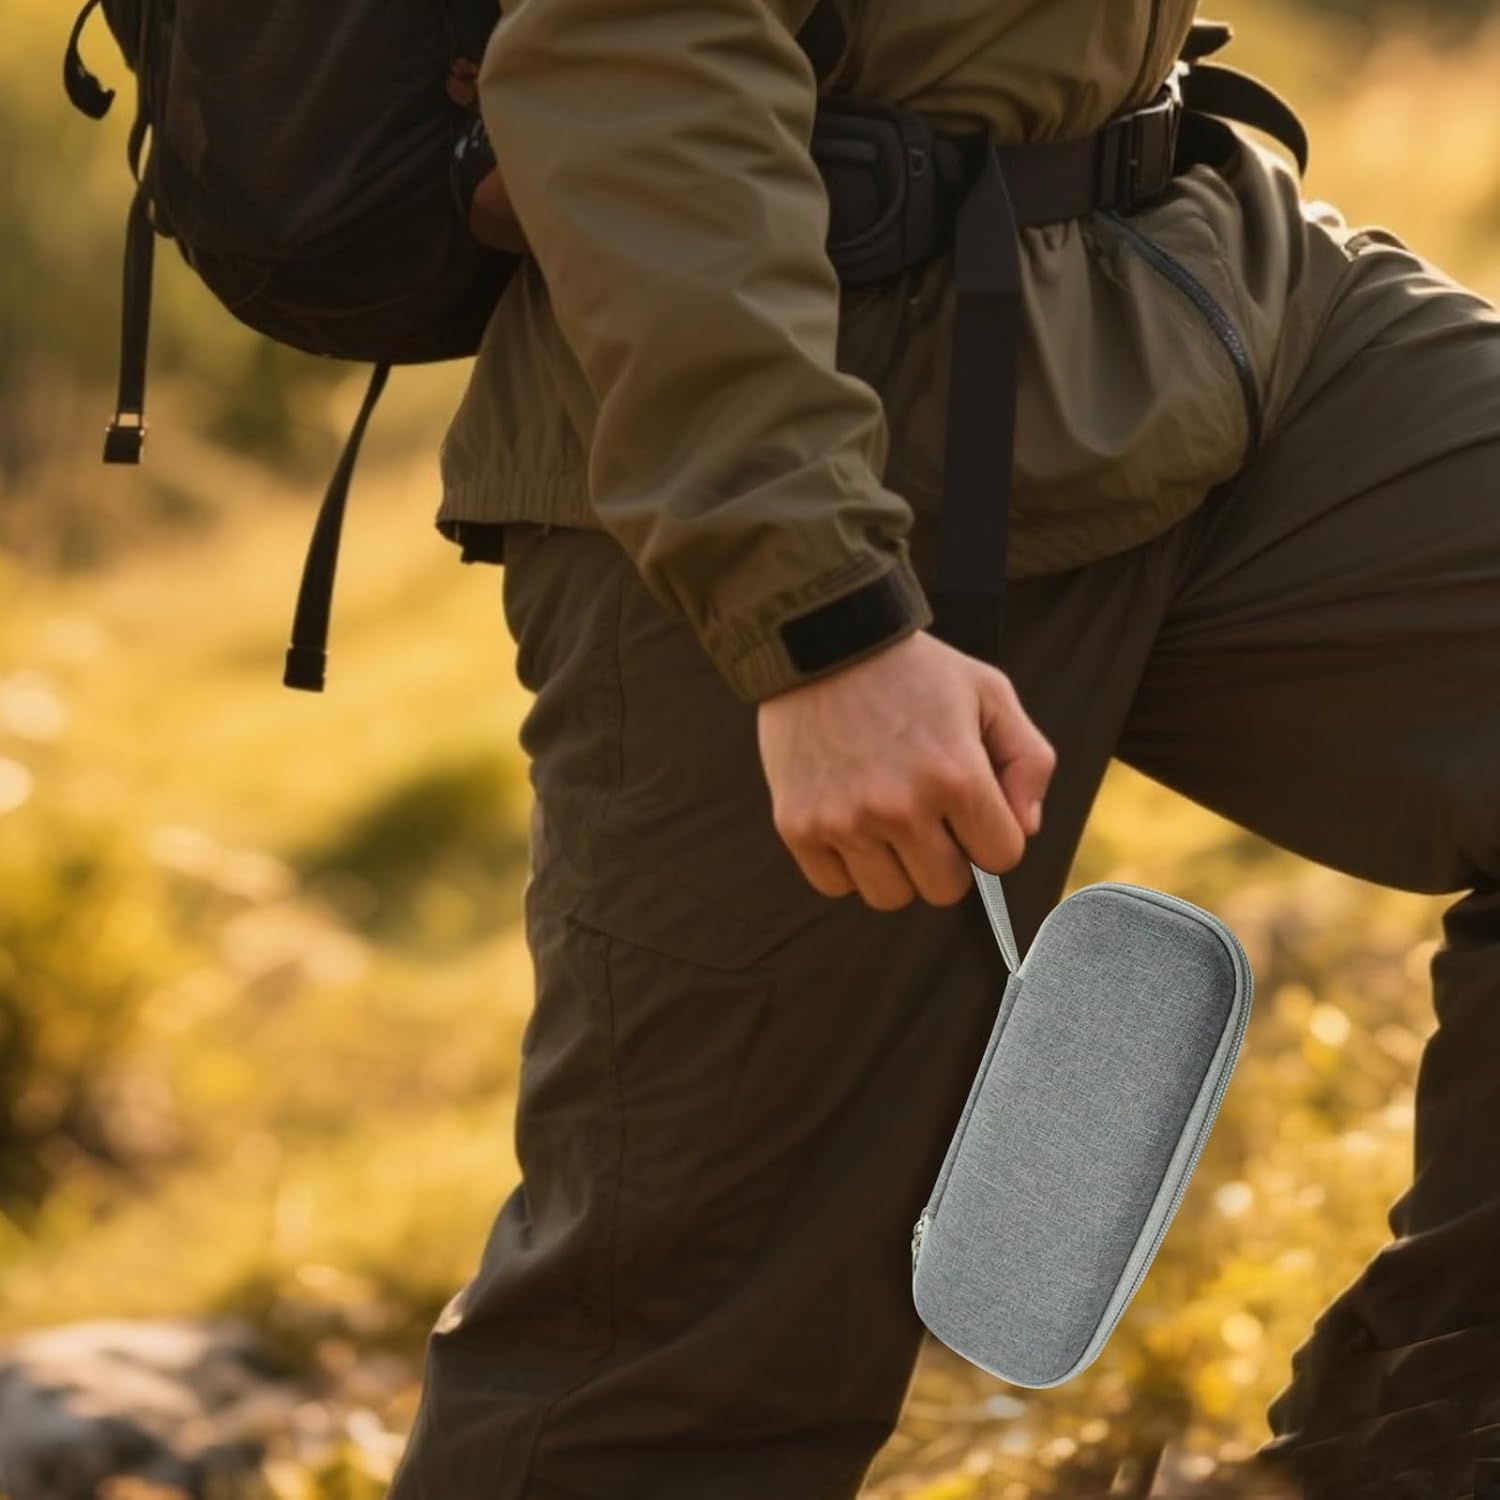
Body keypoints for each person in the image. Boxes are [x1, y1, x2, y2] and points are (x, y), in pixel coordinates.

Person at [384, 1, 1500, 1497]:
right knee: (679, 1362)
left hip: (1196, 284)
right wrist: (813, 615)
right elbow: (629, 57)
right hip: (809, 403)